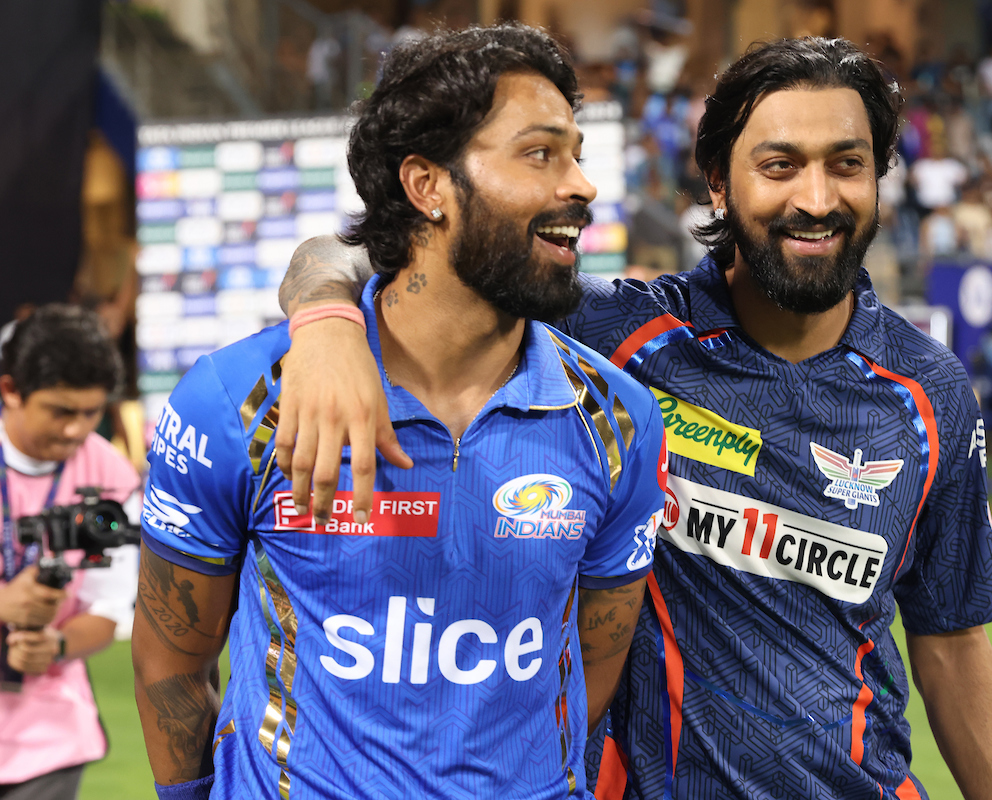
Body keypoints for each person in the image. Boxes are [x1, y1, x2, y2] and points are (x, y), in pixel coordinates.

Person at [276, 36, 992, 800]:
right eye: (779, 166)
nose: (817, 198)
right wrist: (327, 327)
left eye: (847, 163)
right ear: (719, 186)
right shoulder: (612, 340)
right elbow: (348, 252)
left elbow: (953, 639)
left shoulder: (928, 392)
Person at [132, 25, 666, 800]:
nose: (581, 185)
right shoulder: (241, 401)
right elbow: (172, 661)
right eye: (541, 153)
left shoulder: (617, 419)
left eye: (576, 154)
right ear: (427, 186)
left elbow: (593, 661)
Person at [0, 304, 141, 800]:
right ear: (10, 390)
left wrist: (55, 647)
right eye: (61, 411)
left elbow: (105, 613)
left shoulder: (112, 478)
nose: (76, 430)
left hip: (48, 740)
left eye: (91, 412)